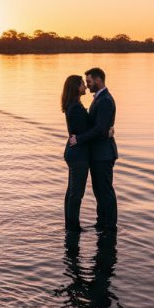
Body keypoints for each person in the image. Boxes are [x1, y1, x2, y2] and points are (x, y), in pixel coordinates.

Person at [69, 67, 118, 231]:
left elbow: (99, 128)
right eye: (86, 83)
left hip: (104, 154)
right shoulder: (98, 98)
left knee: (105, 191)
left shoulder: (105, 100)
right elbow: (98, 127)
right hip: (97, 153)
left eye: (89, 81)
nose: (88, 85)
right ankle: (101, 223)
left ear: (98, 80)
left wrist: (79, 139)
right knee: (99, 192)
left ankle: (110, 226)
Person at [61, 75, 90, 232]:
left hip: (73, 152)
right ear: (76, 87)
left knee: (71, 191)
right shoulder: (76, 108)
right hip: (78, 155)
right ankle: (74, 227)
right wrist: (105, 131)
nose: (85, 87)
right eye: (82, 84)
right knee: (76, 193)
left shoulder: (73, 105)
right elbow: (83, 131)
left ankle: (70, 225)